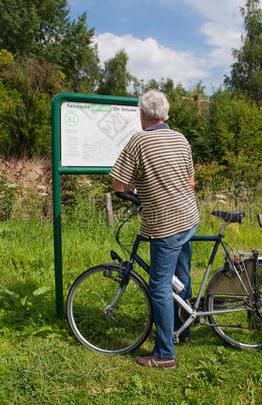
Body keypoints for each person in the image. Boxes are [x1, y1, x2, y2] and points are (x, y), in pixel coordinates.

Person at [109, 89, 199, 369]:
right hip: (189, 218)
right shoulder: (180, 138)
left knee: (159, 287)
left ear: (143, 114)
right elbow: (191, 180)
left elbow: (118, 185)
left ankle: (164, 354)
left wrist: (140, 195)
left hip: (165, 225)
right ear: (166, 114)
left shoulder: (140, 140)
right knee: (180, 278)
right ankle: (181, 331)